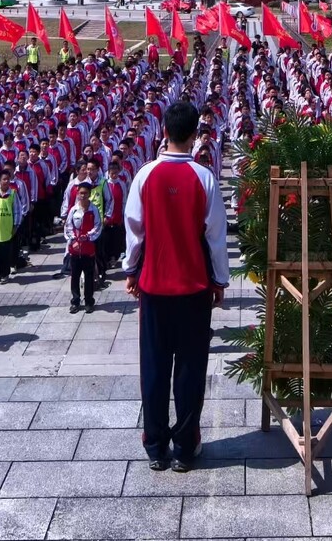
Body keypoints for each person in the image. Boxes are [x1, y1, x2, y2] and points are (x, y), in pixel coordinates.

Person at [122, 100, 230, 473]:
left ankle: (155, 444)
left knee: (153, 367)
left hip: (154, 286)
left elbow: (134, 229)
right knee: (189, 368)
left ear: (164, 132)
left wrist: (131, 269)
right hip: (193, 286)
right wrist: (220, 279)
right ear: (194, 135)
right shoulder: (204, 177)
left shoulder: (145, 175)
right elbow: (216, 235)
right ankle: (185, 445)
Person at [63, 181, 101, 313]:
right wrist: (72, 240)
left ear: (89, 194)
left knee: (89, 276)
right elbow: (68, 226)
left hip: (88, 249)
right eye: (80, 193)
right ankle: (75, 301)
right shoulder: (74, 210)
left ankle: (89, 301)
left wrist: (89, 236)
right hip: (75, 249)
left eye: (85, 193)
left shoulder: (93, 209)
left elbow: (98, 226)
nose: (83, 196)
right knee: (75, 276)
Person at [0, 174, 19, 285]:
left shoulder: (13, 194)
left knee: (6, 254)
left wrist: (15, 226)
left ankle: (5, 274)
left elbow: (17, 211)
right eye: (3, 179)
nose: (6, 181)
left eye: (7, 179)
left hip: (7, 229)